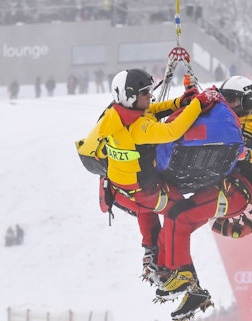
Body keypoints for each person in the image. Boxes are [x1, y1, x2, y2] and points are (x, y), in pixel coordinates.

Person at [152, 75, 252, 321]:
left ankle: (184, 277)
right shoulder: (225, 118)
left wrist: (249, 155)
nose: (229, 104)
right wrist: (191, 91)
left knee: (180, 216)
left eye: (234, 99)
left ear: (249, 100)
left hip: (236, 190)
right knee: (174, 219)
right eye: (226, 99)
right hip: (218, 186)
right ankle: (190, 287)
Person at [77, 68, 218, 286]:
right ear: (131, 97)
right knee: (184, 213)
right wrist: (199, 103)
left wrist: (178, 103)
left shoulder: (114, 114)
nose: (150, 95)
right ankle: (172, 266)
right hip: (145, 193)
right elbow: (173, 131)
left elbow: (151, 110)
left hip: (121, 191)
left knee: (160, 213)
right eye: (145, 93)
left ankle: (152, 255)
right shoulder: (138, 128)